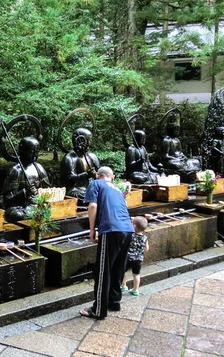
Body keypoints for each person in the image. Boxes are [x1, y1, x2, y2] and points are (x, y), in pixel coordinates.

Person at [79, 166, 134, 320]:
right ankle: (114, 301)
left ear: (97, 175)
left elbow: (92, 205)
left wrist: (92, 229)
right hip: (128, 229)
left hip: (111, 230)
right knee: (118, 267)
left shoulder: (96, 183)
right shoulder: (117, 189)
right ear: (113, 177)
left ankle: (98, 310)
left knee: (102, 270)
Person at [2, 136, 50, 222]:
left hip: (37, 205)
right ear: (22, 151)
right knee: (15, 214)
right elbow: (7, 200)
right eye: (32, 152)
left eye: (36, 151)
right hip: (21, 207)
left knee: (50, 208)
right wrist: (24, 192)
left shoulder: (39, 168)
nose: (35, 155)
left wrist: (40, 195)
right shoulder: (16, 170)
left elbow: (48, 190)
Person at [60, 128, 100, 200]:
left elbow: (99, 173)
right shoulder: (70, 158)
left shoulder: (91, 156)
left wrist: (95, 175)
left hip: (91, 186)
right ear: (81, 140)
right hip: (77, 189)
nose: (90, 143)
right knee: (81, 195)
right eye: (89, 140)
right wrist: (86, 174)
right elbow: (68, 179)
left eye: (91, 140)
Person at [121, 216, 149, 296]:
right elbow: (146, 248)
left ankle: (123, 286)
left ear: (134, 226)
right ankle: (135, 290)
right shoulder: (145, 237)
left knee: (122, 271)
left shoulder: (130, 235)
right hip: (138, 259)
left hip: (128, 258)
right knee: (136, 274)